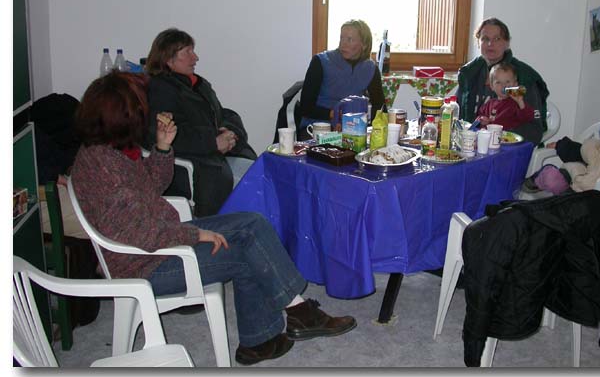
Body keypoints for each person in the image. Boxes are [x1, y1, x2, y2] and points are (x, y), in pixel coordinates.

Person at [70, 71, 357, 366]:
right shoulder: (104, 169)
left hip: (160, 243)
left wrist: (163, 146)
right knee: (249, 249)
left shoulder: (107, 153)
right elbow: (139, 234)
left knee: (253, 223)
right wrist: (196, 235)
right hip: (146, 264)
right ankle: (284, 322)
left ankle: (269, 334)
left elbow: (152, 187)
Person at [145, 28, 257, 217]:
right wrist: (213, 142)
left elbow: (222, 113)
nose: (195, 57)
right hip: (198, 166)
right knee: (256, 186)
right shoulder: (160, 90)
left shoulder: (197, 84)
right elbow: (168, 134)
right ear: (168, 59)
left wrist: (230, 132)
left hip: (218, 157)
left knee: (263, 173)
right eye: (187, 52)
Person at [522, 116, 600, 231]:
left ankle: (553, 208)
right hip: (578, 181)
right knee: (552, 177)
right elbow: (580, 151)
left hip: (596, 198)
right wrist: (560, 145)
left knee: (558, 208)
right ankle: (536, 182)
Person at [457, 17, 549, 145]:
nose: (490, 44)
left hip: (507, 146)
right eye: (485, 39)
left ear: (507, 43)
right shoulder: (469, 73)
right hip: (469, 142)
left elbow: (534, 131)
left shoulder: (523, 76)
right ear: (478, 42)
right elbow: (457, 115)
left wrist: (499, 136)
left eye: (497, 39)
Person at [299, 19, 385, 136]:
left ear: (364, 45)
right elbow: (305, 108)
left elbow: (380, 107)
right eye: (341, 38)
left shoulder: (370, 68)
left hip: (352, 128)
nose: (343, 44)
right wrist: (334, 114)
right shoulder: (320, 62)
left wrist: (372, 128)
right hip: (317, 126)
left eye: (349, 39)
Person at [475, 63, 537, 132]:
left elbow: (528, 118)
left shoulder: (516, 104)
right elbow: (479, 117)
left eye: (507, 82)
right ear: (492, 86)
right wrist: (482, 120)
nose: (503, 85)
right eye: (498, 82)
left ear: (515, 84)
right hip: (488, 136)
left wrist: (520, 102)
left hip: (507, 137)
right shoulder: (489, 104)